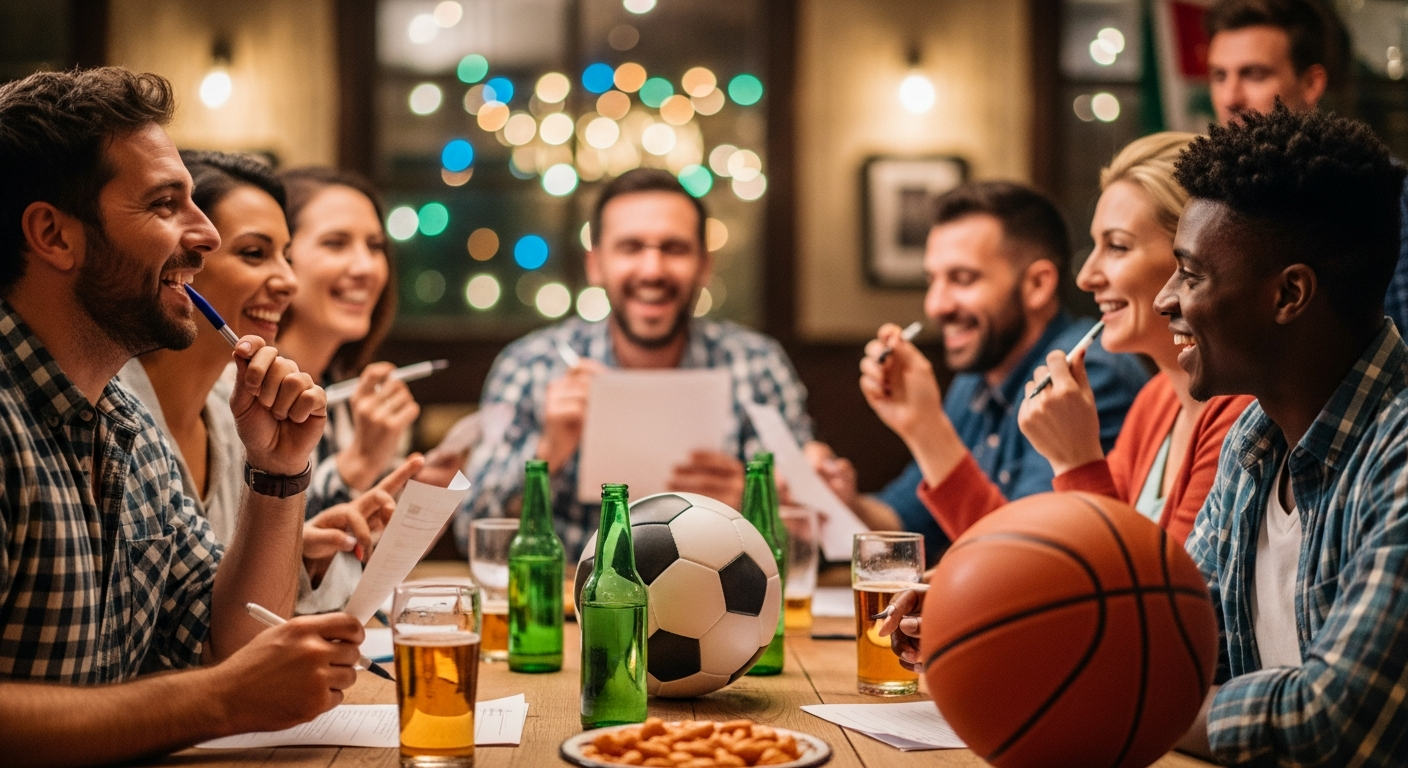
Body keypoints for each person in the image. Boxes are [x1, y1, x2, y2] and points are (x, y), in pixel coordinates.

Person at [0, 68, 363, 762]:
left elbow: (237, 641)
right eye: (167, 206)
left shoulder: (129, 428)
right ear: (54, 233)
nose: (204, 236)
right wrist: (219, 699)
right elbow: (233, 684)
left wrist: (278, 472)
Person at [119, 151, 421, 615]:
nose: (287, 281)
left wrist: (300, 557)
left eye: (376, 246)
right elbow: (190, 625)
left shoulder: (228, 408)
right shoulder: (116, 417)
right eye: (254, 253)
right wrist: (350, 471)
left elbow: (212, 600)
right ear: (181, 263)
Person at [460, 168, 813, 559]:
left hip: (715, 606)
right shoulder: (531, 365)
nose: (652, 270)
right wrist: (547, 451)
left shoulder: (757, 365)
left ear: (704, 266)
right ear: (595, 265)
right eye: (630, 247)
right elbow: (472, 530)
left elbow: (808, 539)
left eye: (674, 249)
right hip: (572, 604)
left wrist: (751, 508)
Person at [840, 181, 1148, 560]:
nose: (936, 305)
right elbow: (907, 518)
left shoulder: (1086, 376)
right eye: (932, 280)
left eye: (963, 279)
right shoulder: (974, 380)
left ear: (1037, 284)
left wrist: (926, 428)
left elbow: (1024, 561)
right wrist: (842, 500)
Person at [1013, 134, 1255, 544]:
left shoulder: (1241, 411)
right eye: (1095, 246)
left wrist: (1075, 461)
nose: (1086, 276)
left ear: (1194, 255)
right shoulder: (1156, 401)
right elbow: (1071, 563)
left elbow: (1157, 600)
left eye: (1118, 247)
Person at [1203, 0, 1408, 336]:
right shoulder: (1210, 197)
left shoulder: (1381, 190)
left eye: (1254, 74)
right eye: (1219, 75)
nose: (1230, 97)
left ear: (1312, 83)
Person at [275, 168, 457, 520]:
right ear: (278, 256)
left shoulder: (347, 397)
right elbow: (257, 547)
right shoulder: (241, 397)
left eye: (375, 246)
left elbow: (351, 563)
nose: (367, 267)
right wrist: (360, 461)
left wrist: (412, 495)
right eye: (336, 243)